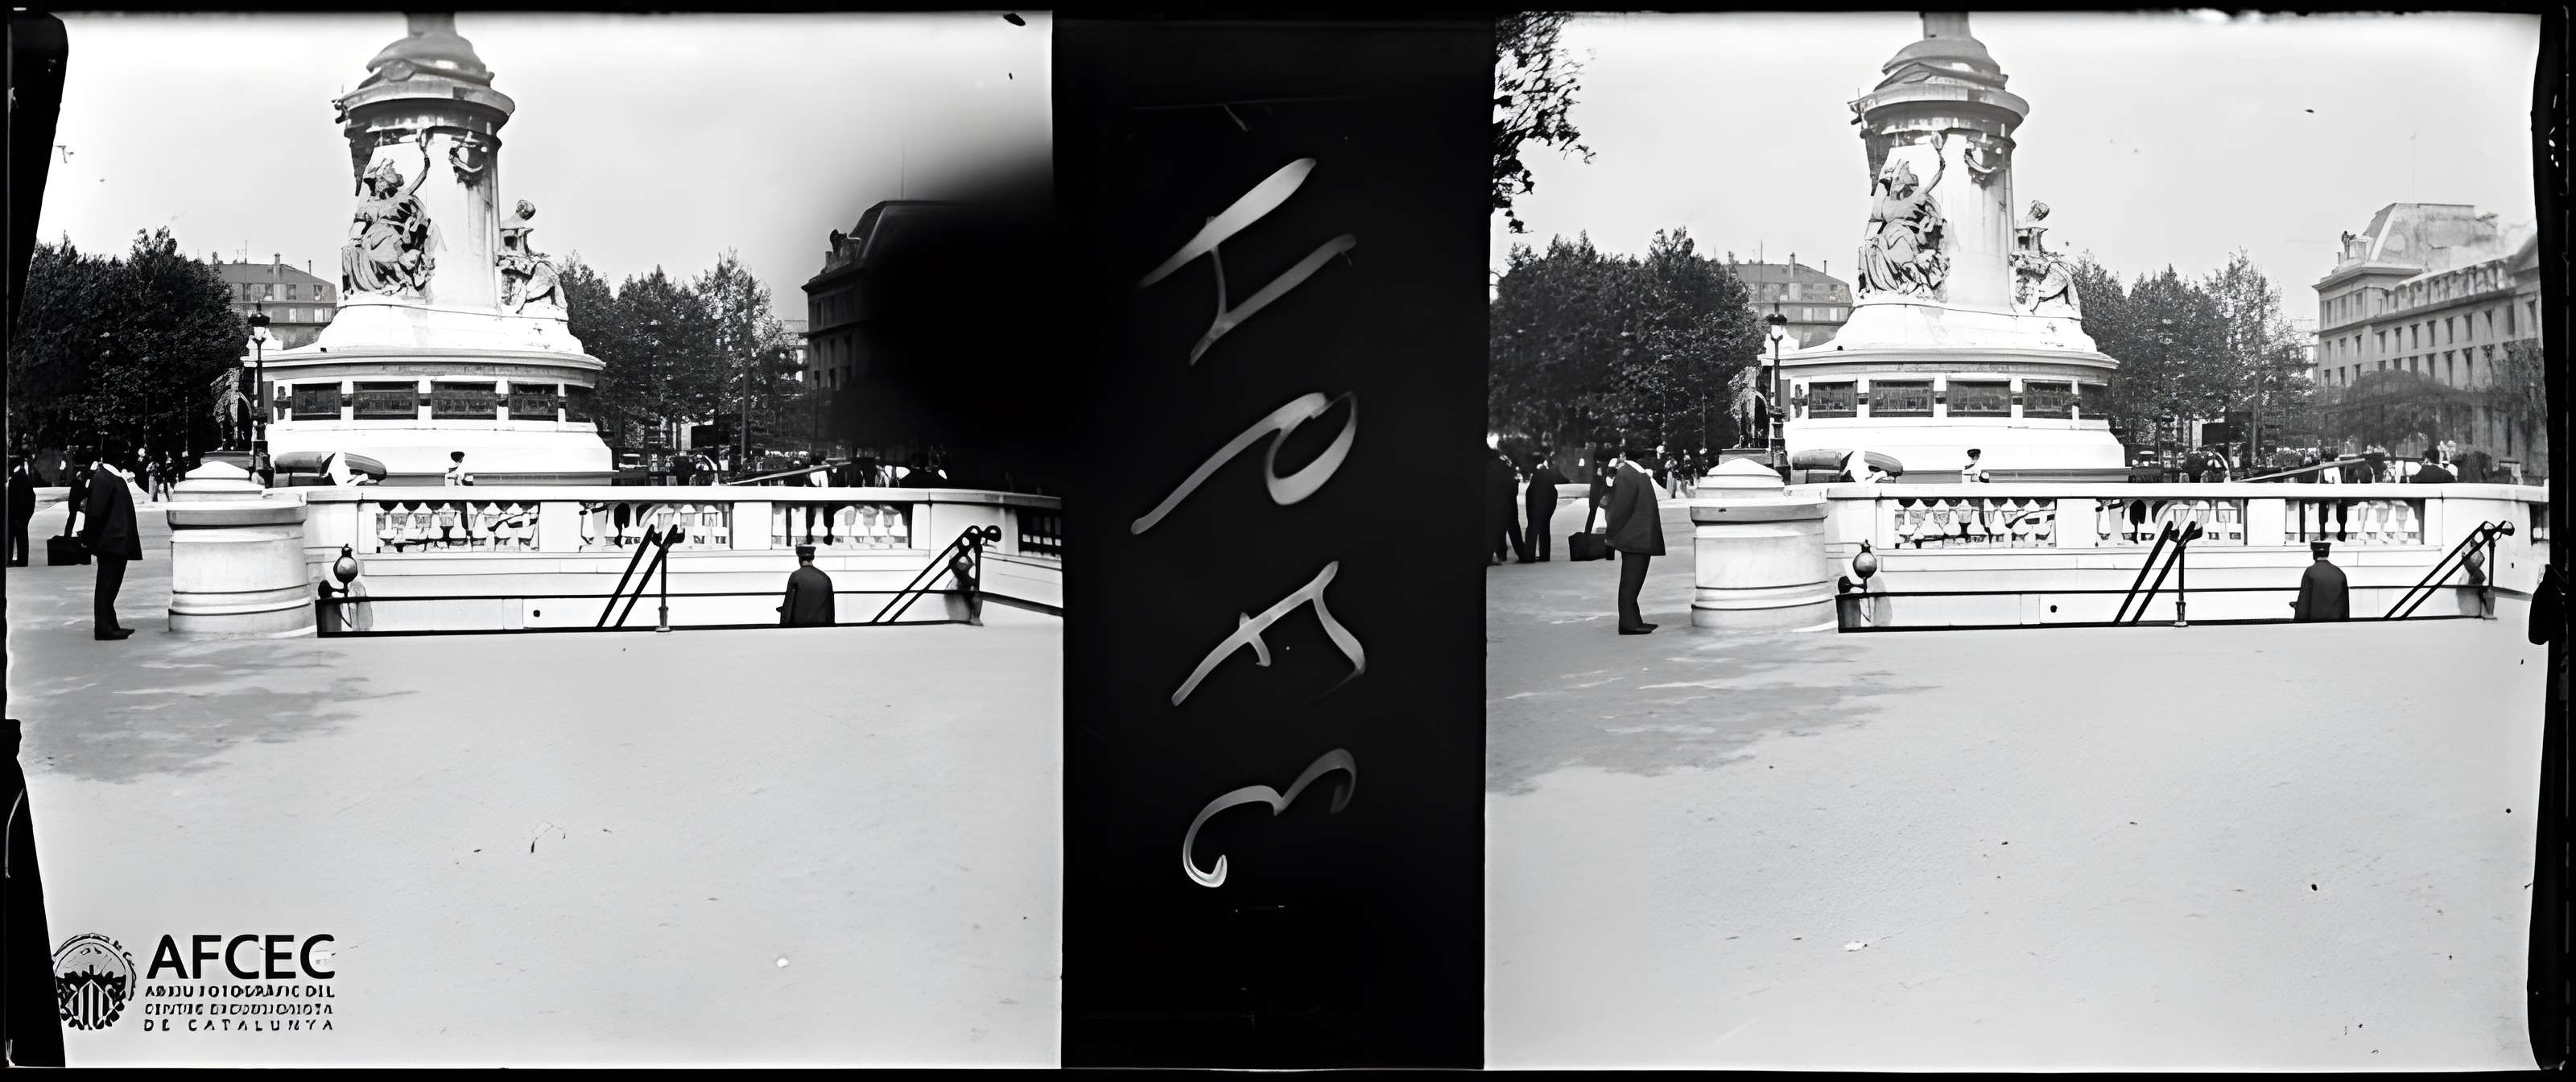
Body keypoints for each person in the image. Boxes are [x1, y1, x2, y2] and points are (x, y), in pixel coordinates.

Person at [1604, 444, 1667, 635]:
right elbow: (1622, 508)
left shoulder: (1628, 474)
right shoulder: (1634, 474)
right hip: (1637, 535)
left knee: (1632, 580)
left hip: (1636, 535)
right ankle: (1629, 623)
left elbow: (1619, 508)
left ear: (1624, 455)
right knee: (1632, 581)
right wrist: (1611, 532)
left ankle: (1632, 620)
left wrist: (1612, 532)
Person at [80, 451, 143, 640]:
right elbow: (95, 513)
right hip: (110, 541)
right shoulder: (103, 478)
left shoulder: (112, 476)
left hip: (118, 540)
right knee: (106, 585)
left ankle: (110, 623)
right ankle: (103, 627)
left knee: (112, 584)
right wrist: (88, 538)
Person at [1524, 450, 1569, 562]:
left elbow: (1531, 494)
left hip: (1538, 505)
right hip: (1547, 504)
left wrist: (1531, 511)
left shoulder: (1538, 475)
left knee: (1532, 529)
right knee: (1544, 528)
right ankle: (1544, 556)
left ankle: (1530, 555)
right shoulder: (1545, 473)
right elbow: (1554, 491)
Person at [778, 543, 836, 626]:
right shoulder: (825, 577)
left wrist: (784, 624)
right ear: (812, 558)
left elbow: (789, 604)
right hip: (822, 626)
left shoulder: (795, 576)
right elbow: (830, 607)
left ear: (799, 559)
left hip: (800, 626)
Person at [2292, 540, 2349, 622]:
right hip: (2337, 625)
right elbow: (2345, 605)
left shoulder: (2310, 572)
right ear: (2328, 553)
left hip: (2316, 625)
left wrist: (2298, 621)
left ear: (2314, 554)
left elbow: (2304, 603)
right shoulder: (2339, 572)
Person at [1488, 448, 1525, 565]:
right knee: (1514, 529)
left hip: (1497, 504)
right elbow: (1513, 484)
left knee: (1497, 531)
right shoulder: (1505, 466)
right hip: (1509, 503)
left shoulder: (1490, 468)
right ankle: (1522, 554)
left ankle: (1500, 555)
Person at [8, 457, 37, 566]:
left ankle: (11, 559)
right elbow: (31, 500)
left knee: (12, 539)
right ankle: (22, 560)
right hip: (21, 516)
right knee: (22, 540)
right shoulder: (25, 481)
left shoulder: (15, 481)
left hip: (14, 515)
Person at [60, 452, 89, 539]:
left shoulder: (76, 482)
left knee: (73, 516)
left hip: (75, 499)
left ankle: (68, 534)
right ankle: (84, 533)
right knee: (74, 516)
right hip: (76, 499)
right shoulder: (78, 483)